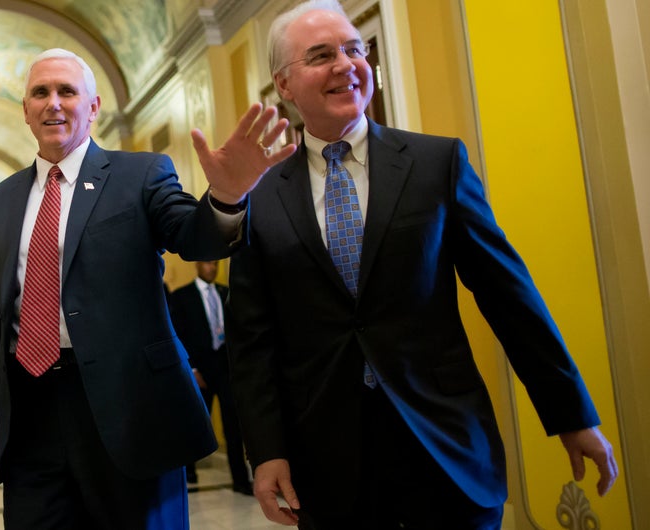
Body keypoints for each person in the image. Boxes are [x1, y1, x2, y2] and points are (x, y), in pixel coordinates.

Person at [224, 1, 619, 528]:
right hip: (328, 463)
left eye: (353, 48)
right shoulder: (260, 197)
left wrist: (571, 414)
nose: (345, 64)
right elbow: (253, 340)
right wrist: (266, 450)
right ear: (285, 86)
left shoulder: (437, 164)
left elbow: (509, 296)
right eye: (321, 55)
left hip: (447, 445)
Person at [0, 47, 294, 530]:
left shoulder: (141, 174)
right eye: (40, 93)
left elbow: (192, 236)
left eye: (67, 91)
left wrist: (226, 197)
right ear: (25, 110)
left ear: (93, 107)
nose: (53, 103)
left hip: (132, 414)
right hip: (31, 421)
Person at [168, 260, 253, 495]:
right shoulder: (182, 296)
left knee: (233, 427)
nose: (212, 268)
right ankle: (190, 474)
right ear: (197, 265)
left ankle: (240, 479)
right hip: (200, 370)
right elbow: (178, 334)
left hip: (226, 370)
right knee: (195, 423)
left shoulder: (226, 293)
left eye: (214, 264)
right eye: (207, 263)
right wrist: (192, 369)